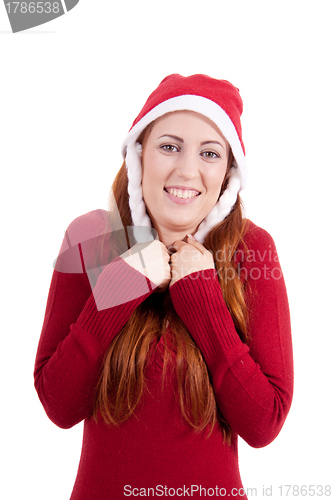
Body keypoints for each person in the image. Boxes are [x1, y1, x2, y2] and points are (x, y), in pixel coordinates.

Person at [34, 74, 293, 499]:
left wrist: (203, 297)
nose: (187, 170)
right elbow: (59, 406)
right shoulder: (90, 238)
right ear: (138, 157)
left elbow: (264, 424)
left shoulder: (252, 249)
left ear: (228, 173)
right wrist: (121, 285)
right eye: (169, 146)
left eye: (210, 153)